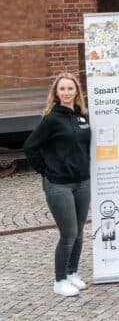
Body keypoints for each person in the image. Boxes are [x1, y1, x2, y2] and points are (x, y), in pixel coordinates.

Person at [24, 73, 91, 297]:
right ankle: (59, 280)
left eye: (70, 88)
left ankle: (72, 273)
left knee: (80, 232)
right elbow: (30, 146)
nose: (66, 92)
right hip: (58, 185)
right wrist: (46, 171)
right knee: (68, 233)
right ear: (56, 93)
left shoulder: (81, 117)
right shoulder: (51, 119)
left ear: (76, 92)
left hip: (82, 182)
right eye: (62, 89)